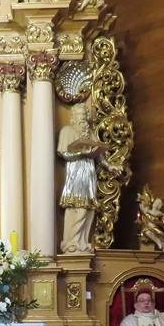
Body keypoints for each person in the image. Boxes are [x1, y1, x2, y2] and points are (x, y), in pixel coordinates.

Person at [58, 102, 106, 253]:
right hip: (76, 176)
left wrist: (110, 166)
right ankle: (70, 242)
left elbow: (100, 156)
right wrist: (81, 153)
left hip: (89, 175)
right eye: (80, 116)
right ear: (73, 117)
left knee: (89, 209)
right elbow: (63, 153)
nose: (83, 119)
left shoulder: (89, 133)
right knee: (78, 208)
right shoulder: (67, 131)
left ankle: (83, 242)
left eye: (85, 116)